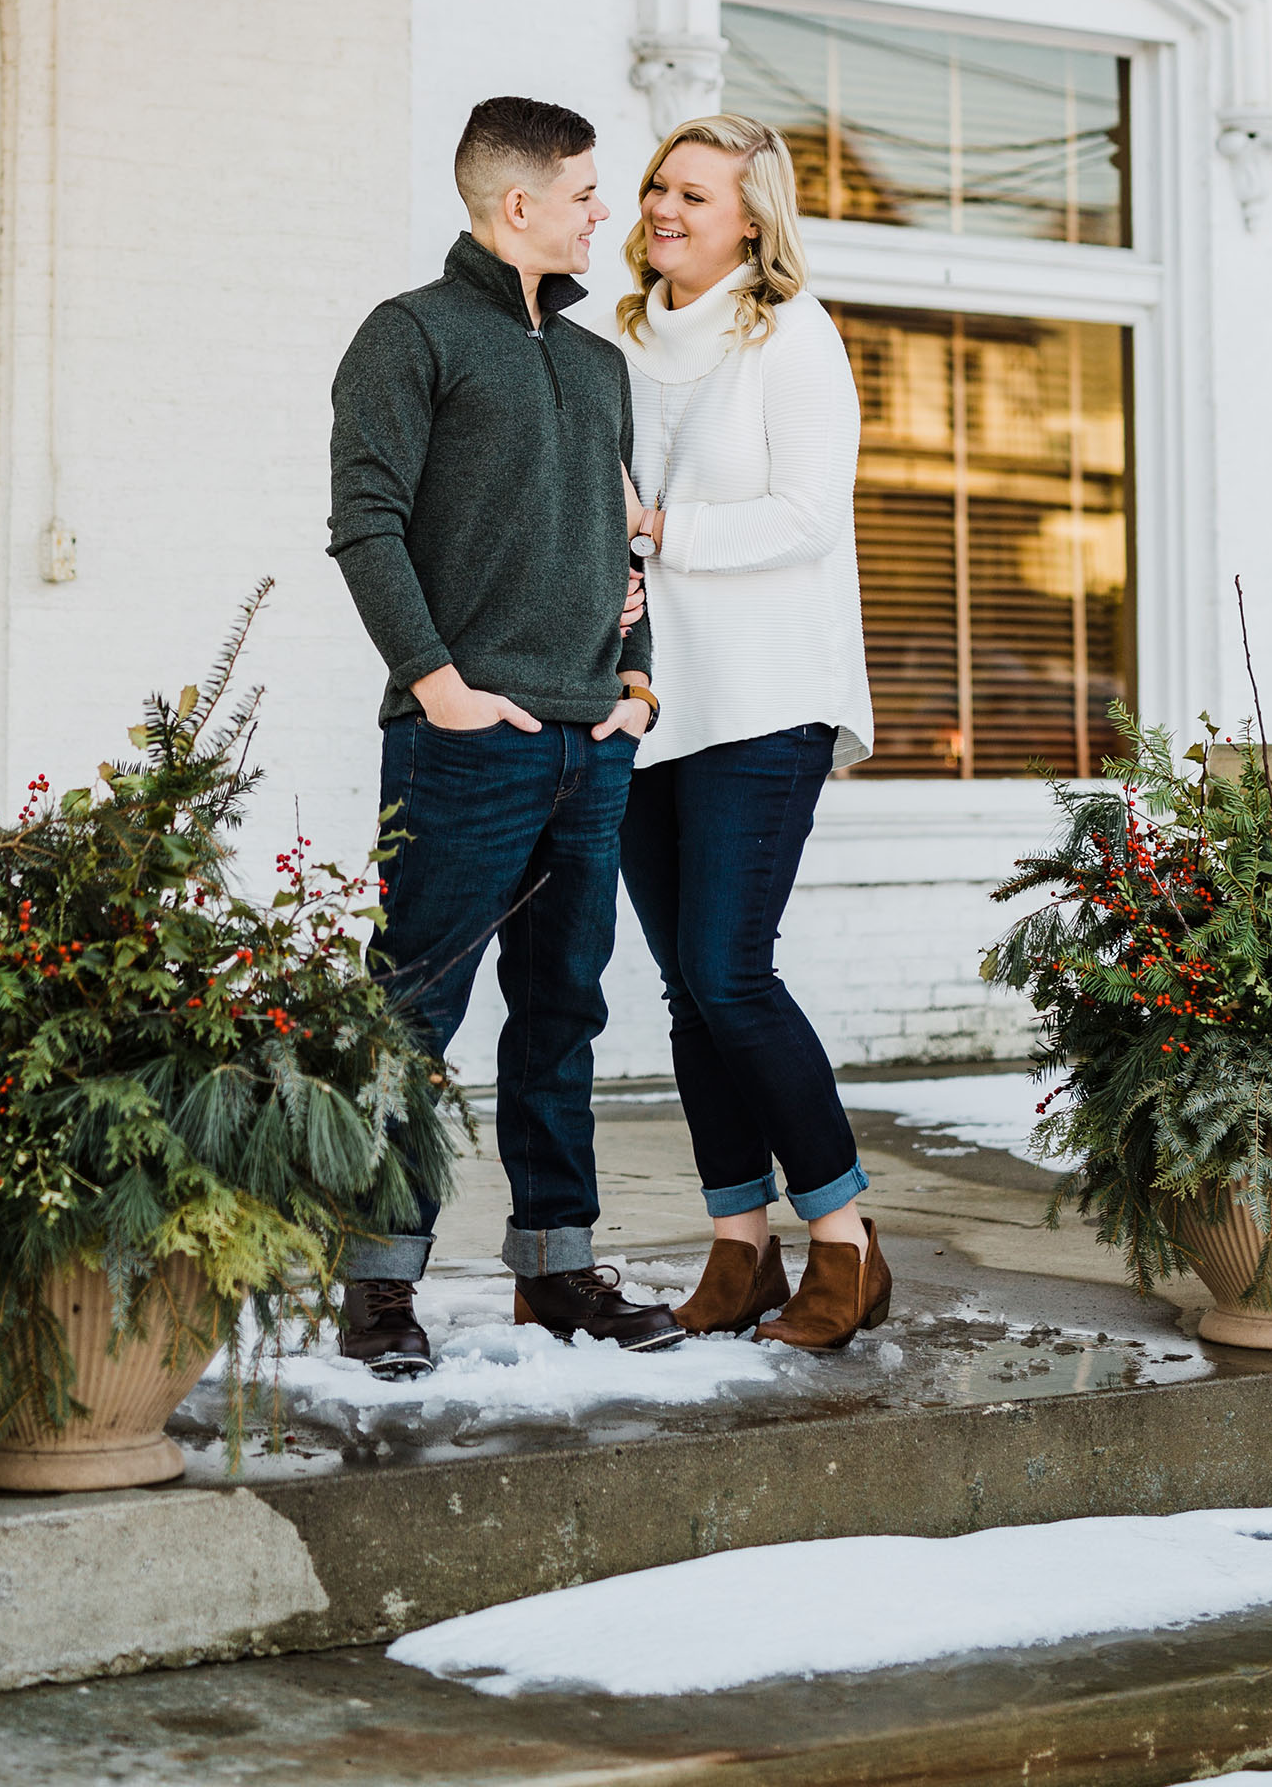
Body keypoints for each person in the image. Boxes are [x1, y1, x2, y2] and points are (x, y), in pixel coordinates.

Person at [326, 94, 681, 1376]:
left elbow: (623, 541)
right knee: (413, 1015)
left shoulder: (596, 366)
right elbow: (362, 522)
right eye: (590, 193)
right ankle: (376, 1286)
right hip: (464, 743)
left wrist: (632, 687)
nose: (612, 213)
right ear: (516, 204)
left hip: (590, 743)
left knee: (561, 1014)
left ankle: (557, 1269)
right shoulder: (408, 337)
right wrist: (436, 684)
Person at [591, 113, 888, 1351]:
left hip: (766, 699)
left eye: (693, 195)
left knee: (729, 971)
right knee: (685, 993)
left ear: (751, 220)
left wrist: (655, 533)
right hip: (649, 701)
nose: (663, 207)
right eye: (657, 186)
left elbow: (807, 517)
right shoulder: (612, 341)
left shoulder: (792, 338)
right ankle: (737, 1249)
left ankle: (845, 1239)